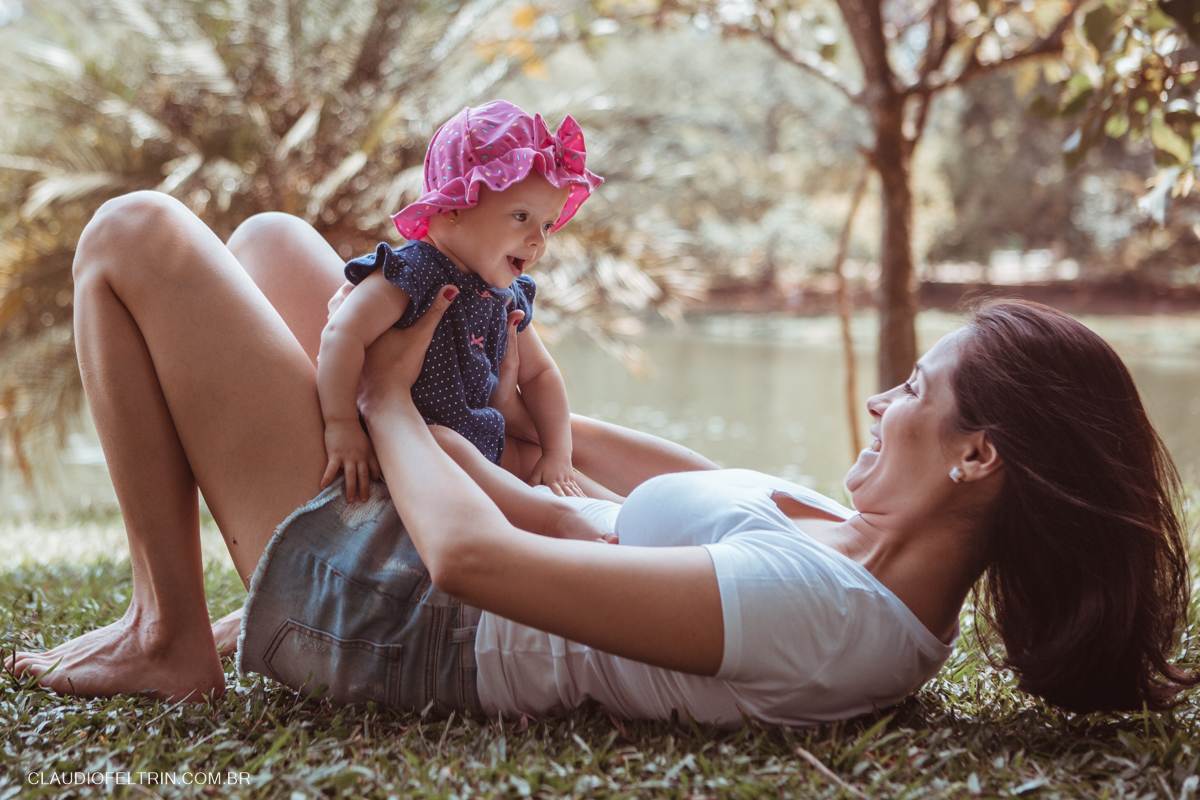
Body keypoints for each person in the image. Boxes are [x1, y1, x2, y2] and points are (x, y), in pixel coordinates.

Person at [5, 190, 1196, 725]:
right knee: (274, 244)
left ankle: (169, 632)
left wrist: (383, 398)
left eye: (916, 391)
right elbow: (573, 498)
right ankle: (205, 618)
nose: (885, 400)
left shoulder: (833, 614)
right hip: (448, 540)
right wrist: (502, 366)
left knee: (132, 237)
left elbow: (475, 557)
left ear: (979, 455)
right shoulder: (842, 542)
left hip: (402, 611)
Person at [318, 100, 602, 502]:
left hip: (485, 446)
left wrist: (558, 453)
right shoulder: (413, 272)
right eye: (521, 217)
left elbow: (539, 375)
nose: (538, 240)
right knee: (511, 489)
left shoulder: (504, 294)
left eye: (547, 224)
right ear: (454, 206)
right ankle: (570, 525)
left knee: (577, 488)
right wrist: (341, 424)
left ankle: (628, 522)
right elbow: (341, 334)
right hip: (410, 447)